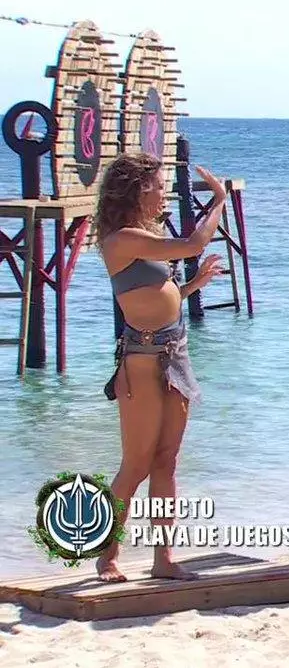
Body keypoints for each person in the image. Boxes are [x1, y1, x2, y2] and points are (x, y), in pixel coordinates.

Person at [94, 153, 227, 582]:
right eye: (158, 185)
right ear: (137, 190)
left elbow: (156, 296)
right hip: (143, 359)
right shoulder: (122, 239)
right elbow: (193, 244)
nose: (164, 193)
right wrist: (219, 200)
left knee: (167, 461)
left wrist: (191, 286)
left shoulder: (146, 235)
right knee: (136, 464)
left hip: (175, 353)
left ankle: (163, 557)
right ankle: (107, 555)